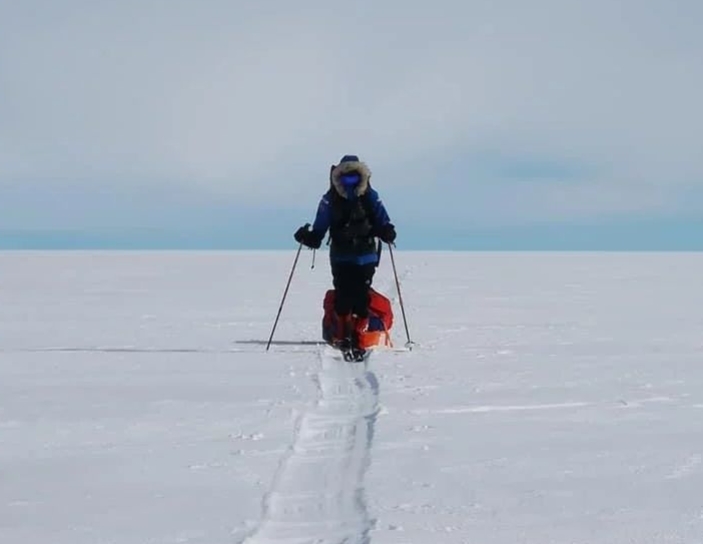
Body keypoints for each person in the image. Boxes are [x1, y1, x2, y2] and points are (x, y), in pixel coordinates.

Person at [294, 154, 396, 351]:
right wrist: (308, 237)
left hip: (361, 256)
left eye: (353, 177)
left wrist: (387, 231)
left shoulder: (368, 197)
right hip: (348, 256)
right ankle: (347, 335)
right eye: (346, 177)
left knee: (359, 297)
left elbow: (383, 221)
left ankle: (352, 335)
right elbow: (319, 231)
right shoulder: (331, 200)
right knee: (345, 296)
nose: (349, 181)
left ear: (361, 176)